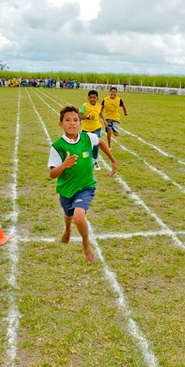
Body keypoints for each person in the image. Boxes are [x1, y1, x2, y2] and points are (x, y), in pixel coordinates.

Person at [48, 105, 117, 263]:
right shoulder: (57, 146)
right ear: (61, 124)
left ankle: (86, 244)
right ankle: (67, 231)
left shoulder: (87, 138)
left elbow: (100, 142)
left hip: (86, 187)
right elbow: (52, 174)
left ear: (80, 123)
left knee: (79, 217)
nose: (72, 123)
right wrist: (63, 166)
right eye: (67, 120)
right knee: (68, 216)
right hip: (66, 189)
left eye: (75, 120)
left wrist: (113, 160)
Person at [79, 90, 107, 170]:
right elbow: (79, 116)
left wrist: (104, 120)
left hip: (96, 128)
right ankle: (86, 161)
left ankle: (94, 160)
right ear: (88, 98)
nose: (92, 99)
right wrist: (87, 117)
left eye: (94, 97)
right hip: (86, 129)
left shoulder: (99, 106)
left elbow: (100, 114)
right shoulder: (84, 105)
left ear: (97, 98)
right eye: (90, 97)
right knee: (86, 147)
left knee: (96, 144)